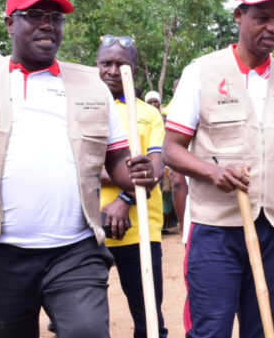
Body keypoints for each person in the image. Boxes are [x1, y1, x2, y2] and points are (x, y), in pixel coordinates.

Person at [0, 0, 156, 338]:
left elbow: (119, 162)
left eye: (55, 17)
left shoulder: (91, 84)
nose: (48, 24)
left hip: (75, 250)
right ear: (10, 23)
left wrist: (138, 175)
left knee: (87, 332)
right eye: (35, 15)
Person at [163, 0, 274, 337]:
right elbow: (172, 149)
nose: (273, 28)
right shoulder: (201, 72)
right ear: (239, 16)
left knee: (268, 329)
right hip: (217, 230)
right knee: (210, 330)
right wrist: (210, 171)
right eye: (263, 17)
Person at [96, 35, 168, 338]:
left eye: (121, 64)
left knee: (149, 321)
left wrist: (125, 197)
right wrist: (124, 174)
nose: (113, 70)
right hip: (85, 232)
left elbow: (156, 169)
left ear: (134, 72)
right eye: (106, 63)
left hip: (140, 232)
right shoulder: (81, 108)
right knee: (80, 323)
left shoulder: (149, 114)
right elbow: (73, 166)